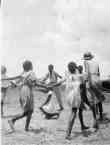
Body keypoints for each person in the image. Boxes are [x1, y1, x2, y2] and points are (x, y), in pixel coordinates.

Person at [2, 60, 48, 132]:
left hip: (22, 91)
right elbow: (35, 83)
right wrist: (45, 86)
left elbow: (14, 79)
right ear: (30, 66)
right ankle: (12, 120)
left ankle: (26, 127)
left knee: (30, 110)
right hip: (27, 91)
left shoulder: (23, 73)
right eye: (31, 65)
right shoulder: (31, 73)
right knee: (29, 111)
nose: (32, 66)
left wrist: (6, 79)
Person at [61, 62, 89, 139]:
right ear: (75, 68)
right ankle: (68, 133)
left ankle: (82, 126)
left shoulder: (68, 75)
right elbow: (83, 84)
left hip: (70, 96)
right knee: (73, 113)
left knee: (78, 111)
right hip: (76, 96)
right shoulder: (78, 75)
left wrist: (49, 85)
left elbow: (60, 82)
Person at [83, 52, 105, 122]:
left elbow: (87, 72)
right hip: (97, 79)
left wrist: (85, 81)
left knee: (92, 99)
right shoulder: (96, 62)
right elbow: (99, 73)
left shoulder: (86, 62)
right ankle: (101, 115)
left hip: (91, 79)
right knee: (99, 98)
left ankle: (95, 117)